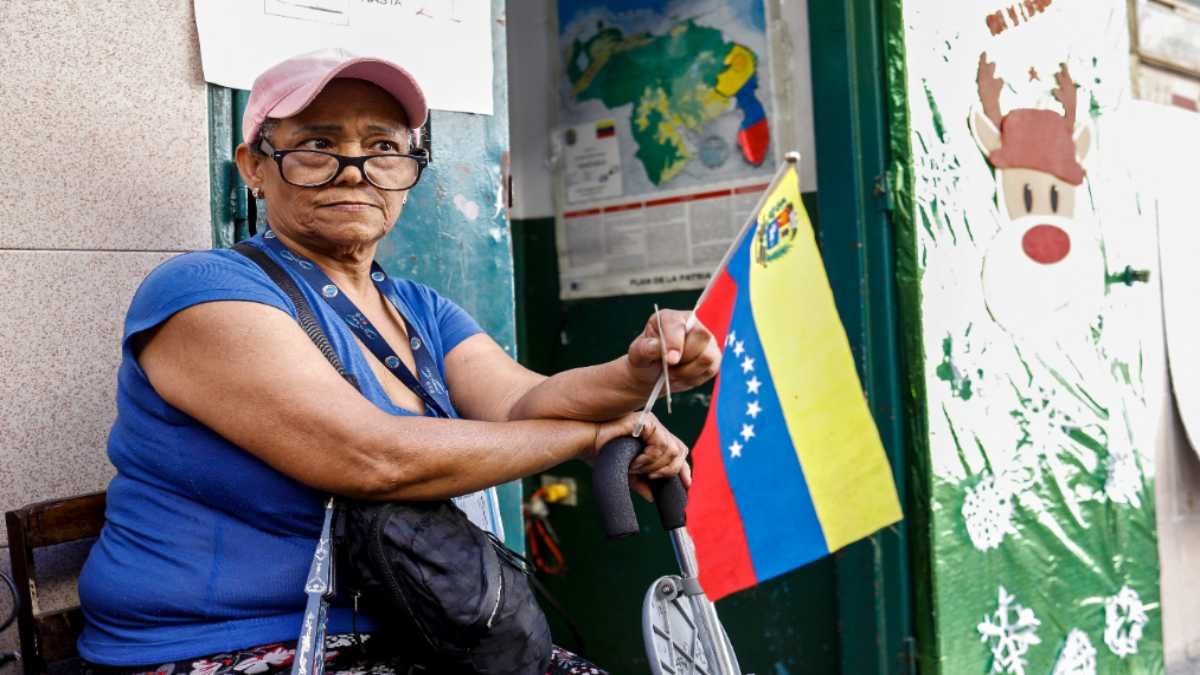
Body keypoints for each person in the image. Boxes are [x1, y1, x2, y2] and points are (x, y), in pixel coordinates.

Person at [76, 49, 721, 674]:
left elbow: (522, 403)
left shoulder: (419, 308)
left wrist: (636, 373)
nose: (355, 168)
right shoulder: (203, 291)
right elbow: (370, 458)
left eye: (383, 147)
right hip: (230, 644)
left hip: (411, 629)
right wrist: (590, 435)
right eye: (318, 145)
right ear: (253, 166)